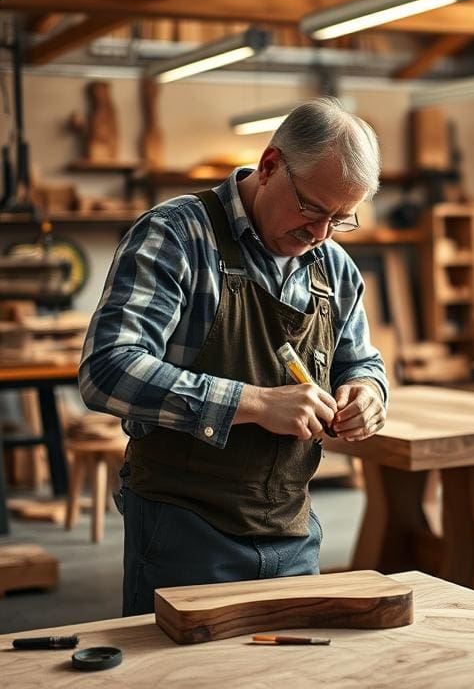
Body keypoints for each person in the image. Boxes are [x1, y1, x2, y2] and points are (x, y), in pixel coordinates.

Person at [79, 98, 388, 616]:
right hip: (183, 529)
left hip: (291, 528)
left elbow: (360, 362)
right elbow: (107, 369)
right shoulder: (176, 235)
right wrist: (254, 402)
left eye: (341, 219)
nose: (321, 234)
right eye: (312, 208)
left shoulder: (332, 266)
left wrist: (369, 393)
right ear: (269, 167)